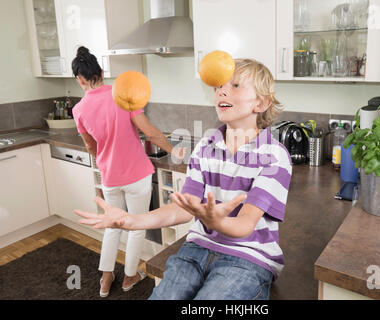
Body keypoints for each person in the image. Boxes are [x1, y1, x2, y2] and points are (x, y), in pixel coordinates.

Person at [75, 58, 292, 300]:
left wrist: (214, 221)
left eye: (236, 85)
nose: (222, 90)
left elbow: (244, 225)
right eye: (218, 86)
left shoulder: (274, 155)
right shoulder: (205, 147)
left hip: (248, 258)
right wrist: (130, 220)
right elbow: (183, 207)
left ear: (261, 102)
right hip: (196, 249)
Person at [71, 46, 185, 298]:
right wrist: (173, 150)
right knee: (136, 226)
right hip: (137, 175)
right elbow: (150, 131)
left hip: (110, 177)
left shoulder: (78, 110)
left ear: (79, 79)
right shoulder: (122, 96)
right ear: (102, 72)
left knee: (112, 226)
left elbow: (91, 146)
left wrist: (105, 159)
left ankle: (106, 278)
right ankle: (130, 277)